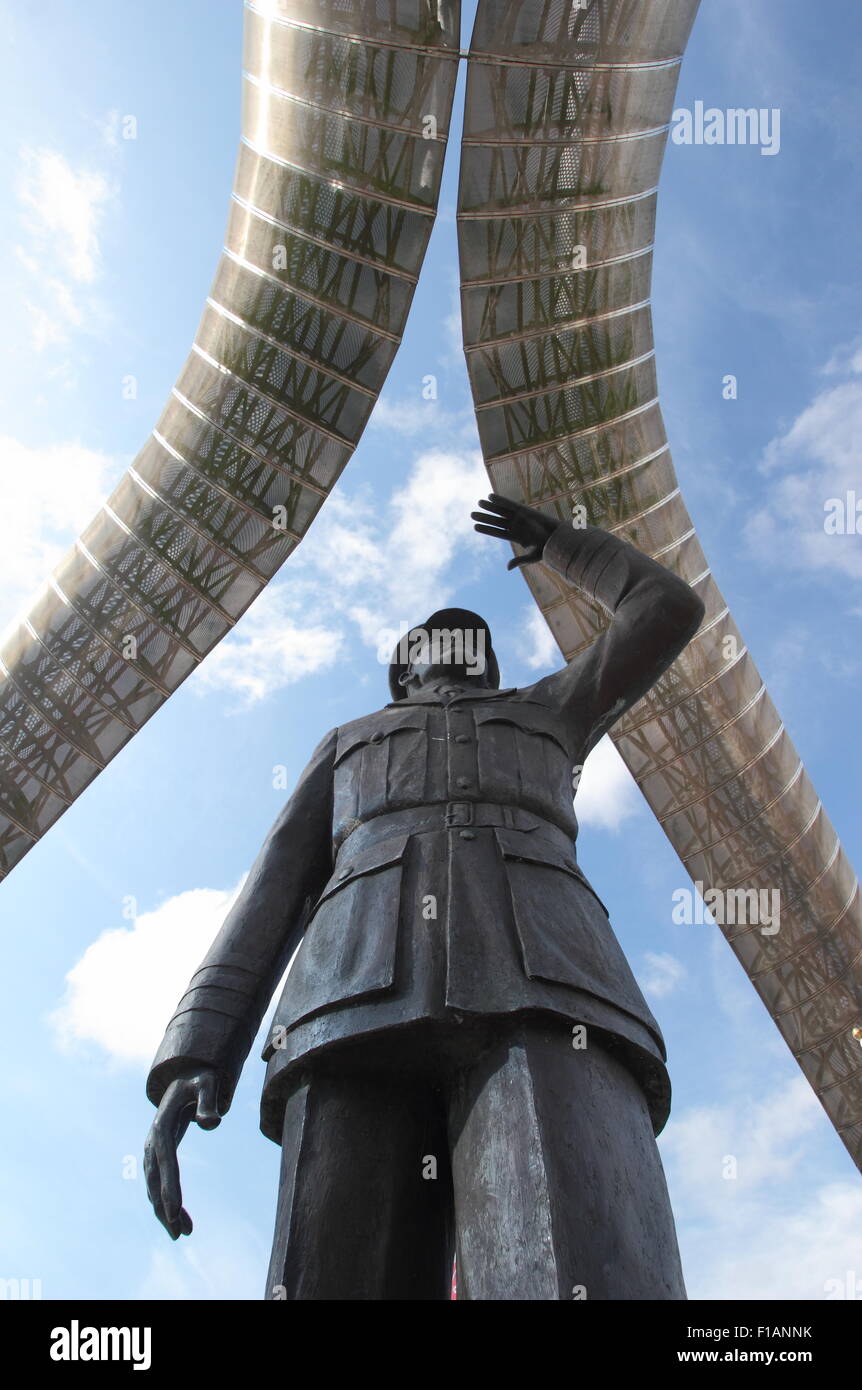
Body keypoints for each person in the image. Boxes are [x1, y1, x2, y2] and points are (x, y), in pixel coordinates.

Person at [144, 492, 705, 1299]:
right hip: (347, 1006)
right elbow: (274, 887)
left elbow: (667, 609)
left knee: (574, 1261)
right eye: (431, 637)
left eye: (468, 634)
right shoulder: (345, 747)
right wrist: (196, 1055)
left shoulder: (553, 711)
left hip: (548, 990)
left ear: (492, 665)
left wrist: (567, 549)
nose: (451, 643)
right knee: (331, 1276)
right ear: (402, 670)